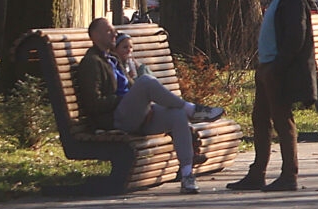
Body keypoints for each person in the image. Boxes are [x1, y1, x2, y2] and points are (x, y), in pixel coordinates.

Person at [72, 18, 223, 194]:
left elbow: (129, 86)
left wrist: (141, 102)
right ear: (95, 36)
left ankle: (187, 175)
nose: (115, 34)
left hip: (134, 115)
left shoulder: (112, 58)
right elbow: (93, 104)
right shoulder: (91, 62)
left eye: (114, 30)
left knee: (177, 116)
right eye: (108, 31)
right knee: (145, 82)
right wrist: (127, 99)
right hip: (114, 119)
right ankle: (192, 109)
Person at [230, 0, 316, 192]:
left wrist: (278, 67)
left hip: (278, 69)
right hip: (267, 67)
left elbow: (295, 38)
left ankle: (289, 175)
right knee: (260, 119)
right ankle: (257, 172)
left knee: (282, 120)